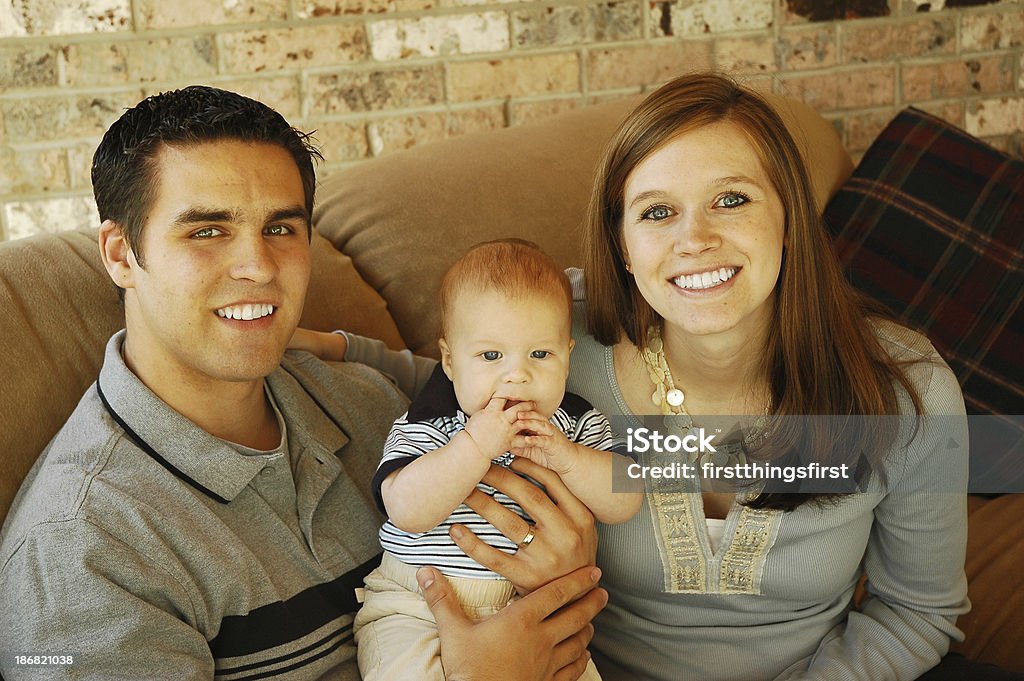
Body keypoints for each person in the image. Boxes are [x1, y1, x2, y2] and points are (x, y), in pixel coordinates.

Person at [315, 73, 997, 680]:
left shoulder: (906, 390)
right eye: (658, 212)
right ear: (624, 245)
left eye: (731, 199)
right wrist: (326, 345)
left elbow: (917, 611)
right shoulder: (562, 341)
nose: (693, 239)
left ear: (789, 218)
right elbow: (447, 374)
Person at [0, 85, 607, 681]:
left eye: (281, 229)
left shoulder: (367, 401)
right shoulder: (83, 555)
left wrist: (570, 564)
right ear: (120, 254)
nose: (258, 267)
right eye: (207, 231)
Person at [294, 240, 641, 680]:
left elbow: (625, 499)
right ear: (450, 362)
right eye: (491, 356)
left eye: (540, 354)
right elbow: (405, 509)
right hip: (417, 606)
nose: (518, 374)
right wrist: (475, 447)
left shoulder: (574, 424)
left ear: (568, 355)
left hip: (536, 612)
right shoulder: (433, 425)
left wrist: (568, 458)